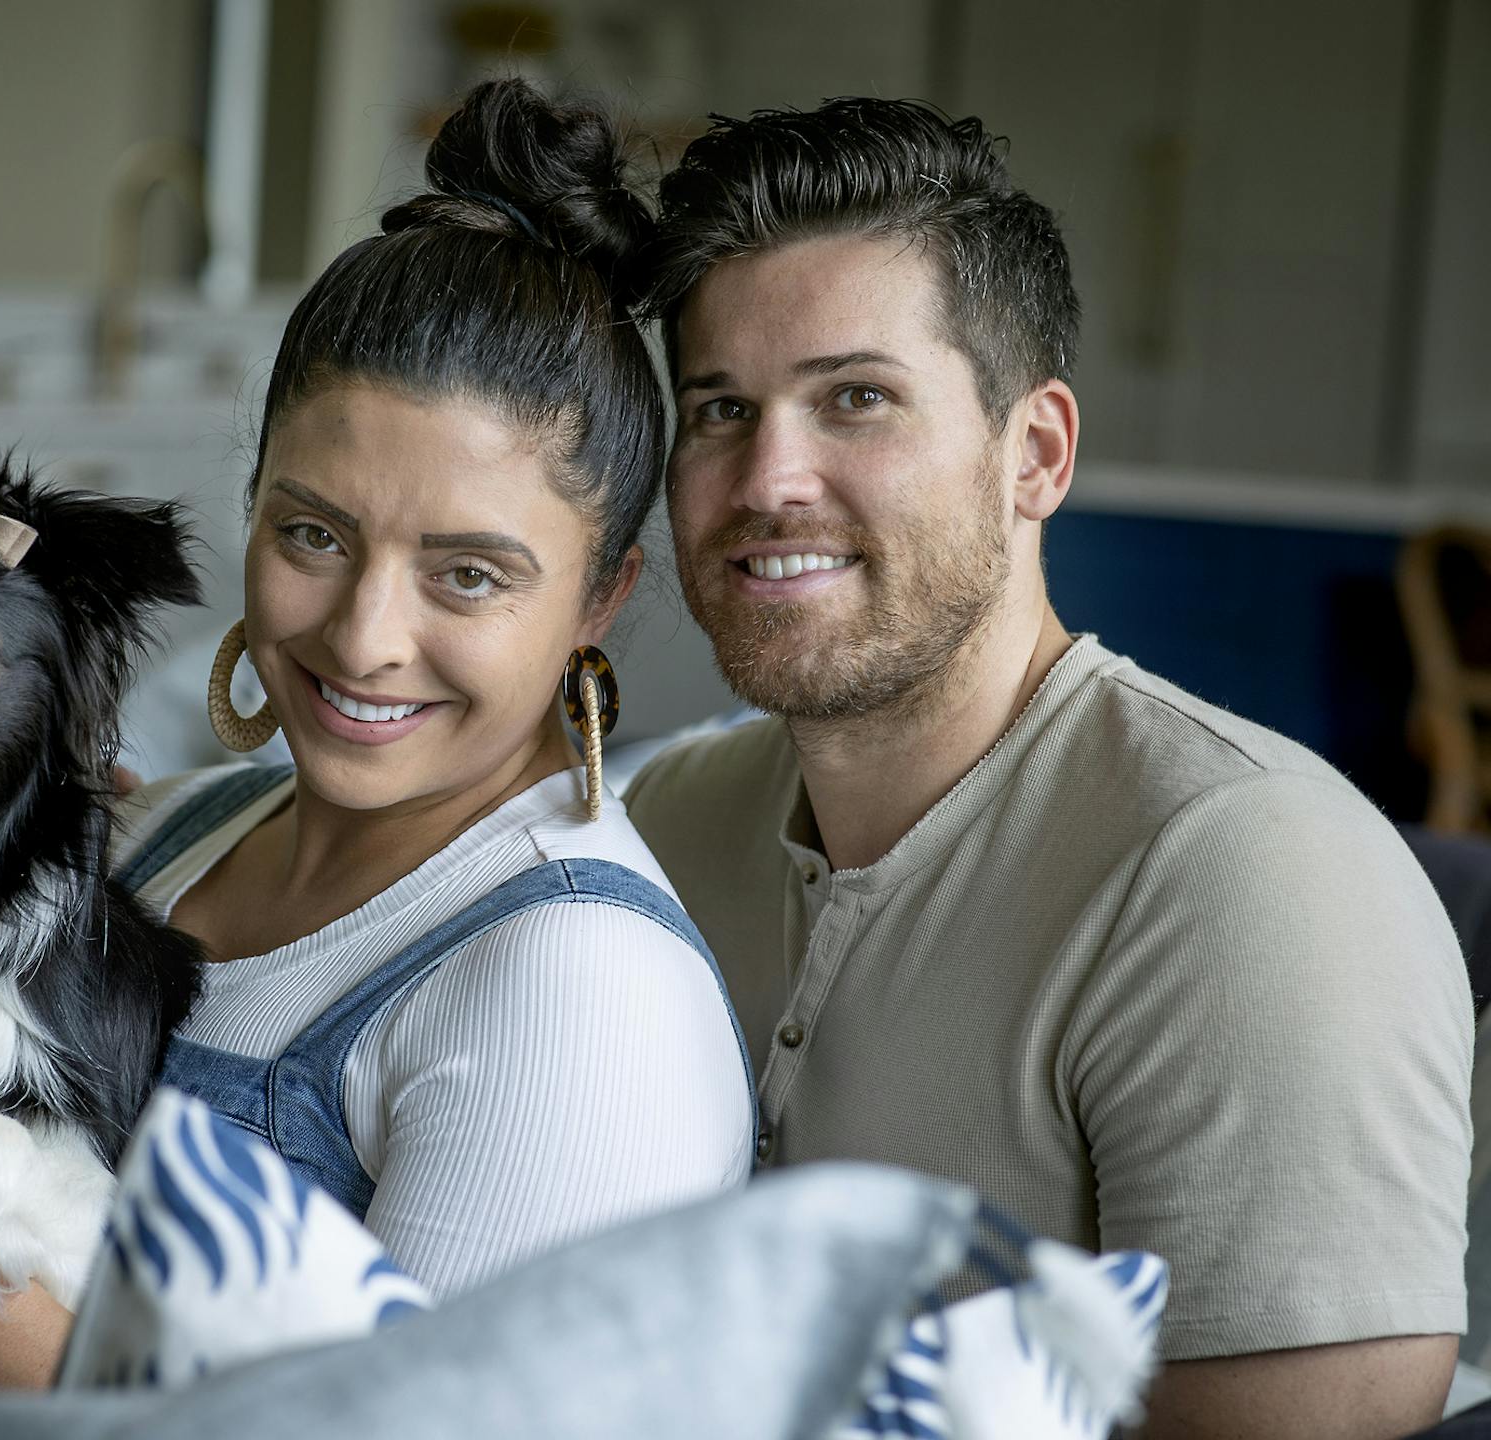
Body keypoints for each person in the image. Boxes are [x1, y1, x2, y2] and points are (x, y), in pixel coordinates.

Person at [0, 78, 754, 1387]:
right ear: (251, 508)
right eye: (315, 534)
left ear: (600, 597)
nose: (364, 636)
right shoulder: (161, 832)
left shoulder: (580, 993)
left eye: (467, 574)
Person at [621, 98, 1473, 1438]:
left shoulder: (1250, 874)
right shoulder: (662, 821)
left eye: (857, 398)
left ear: (1037, 455)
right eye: (721, 408)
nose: (768, 477)